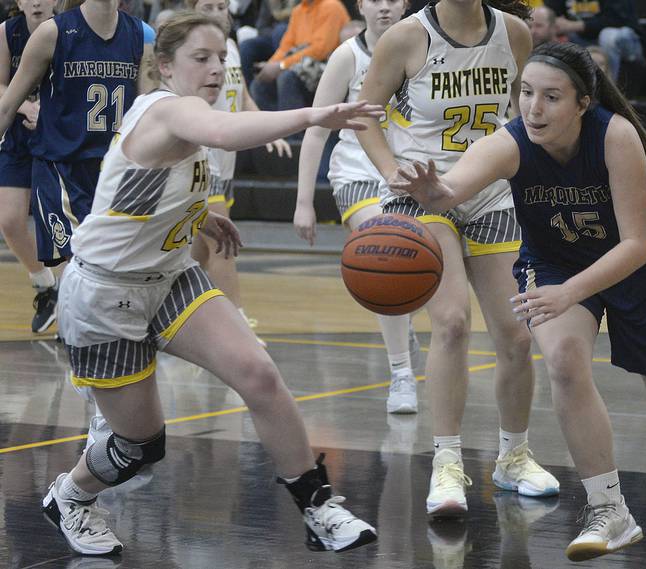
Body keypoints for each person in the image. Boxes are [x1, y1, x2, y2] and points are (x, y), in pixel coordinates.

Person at [388, 41, 646, 561]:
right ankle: (609, 509)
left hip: (630, 266)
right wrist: (432, 191)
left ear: (582, 102)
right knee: (564, 361)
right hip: (554, 264)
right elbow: (452, 190)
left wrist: (571, 292)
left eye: (551, 97)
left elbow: (637, 244)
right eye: (525, 93)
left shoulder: (615, 136)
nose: (533, 108)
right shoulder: (513, 141)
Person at [39, 11, 382, 556]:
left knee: (259, 375)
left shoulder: (184, 117)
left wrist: (199, 217)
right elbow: (223, 131)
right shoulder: (170, 111)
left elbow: (138, 192)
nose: (216, 69)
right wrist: (319, 112)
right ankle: (72, 496)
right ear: (164, 66)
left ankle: (320, 508)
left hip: (171, 277)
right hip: (105, 295)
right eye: (200, 58)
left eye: (221, 58)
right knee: (140, 446)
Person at [357, 0, 560, 518]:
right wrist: (391, 172)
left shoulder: (513, 32)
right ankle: (446, 461)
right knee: (450, 324)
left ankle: (513, 455)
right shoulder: (405, 38)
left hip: (491, 191)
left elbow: (521, 113)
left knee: (516, 333)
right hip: (422, 193)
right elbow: (365, 116)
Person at [294, 0, 422, 413]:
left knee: (411, 271)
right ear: (361, 5)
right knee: (385, 251)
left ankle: (401, 316)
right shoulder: (347, 56)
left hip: (407, 170)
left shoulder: (423, 45)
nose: (384, 7)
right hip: (357, 173)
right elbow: (315, 132)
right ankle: (401, 373)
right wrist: (303, 203)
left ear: (403, 4)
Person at [0, 0, 156, 270]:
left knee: (107, 276)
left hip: (114, 173)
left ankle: (62, 306)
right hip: (61, 172)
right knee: (87, 267)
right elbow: (6, 109)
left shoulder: (142, 35)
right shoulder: (52, 33)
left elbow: (150, 116)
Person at [187, 0, 291, 347]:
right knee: (222, 247)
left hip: (225, 165)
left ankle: (171, 311)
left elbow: (243, 95)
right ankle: (237, 324)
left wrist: (267, 128)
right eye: (208, 5)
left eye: (221, 5)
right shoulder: (194, 55)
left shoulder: (229, 47)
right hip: (202, 162)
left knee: (196, 256)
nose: (216, 11)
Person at [0, 0, 59, 333]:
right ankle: (45, 285)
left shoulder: (69, 30)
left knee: (57, 222)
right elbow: (0, 87)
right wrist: (26, 109)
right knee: (8, 220)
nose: (37, 1)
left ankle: (74, 304)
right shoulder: (7, 34)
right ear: (19, 2)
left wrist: (48, 115)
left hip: (56, 136)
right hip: (18, 134)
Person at [249, 0, 349, 115]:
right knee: (260, 84)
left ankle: (293, 131)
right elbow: (285, 47)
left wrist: (282, 65)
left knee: (287, 78)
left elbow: (320, 51)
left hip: (327, 69)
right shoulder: (298, 11)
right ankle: (275, 131)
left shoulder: (332, 6)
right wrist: (269, 66)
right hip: (300, 66)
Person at [546, 0, 643, 81]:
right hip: (580, 38)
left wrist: (574, 26)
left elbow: (618, 20)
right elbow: (551, 13)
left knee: (607, 35)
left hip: (626, 42)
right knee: (541, 26)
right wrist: (554, 25)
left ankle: (610, 93)